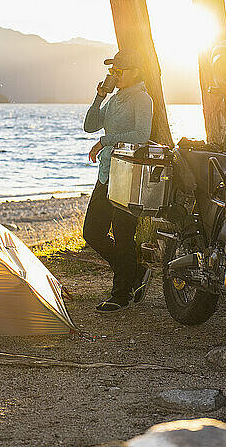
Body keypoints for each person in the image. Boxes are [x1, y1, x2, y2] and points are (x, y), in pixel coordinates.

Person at [83, 49, 153, 313]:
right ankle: (134, 272)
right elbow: (90, 126)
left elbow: (141, 135)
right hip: (107, 174)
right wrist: (100, 96)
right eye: (112, 71)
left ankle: (121, 294)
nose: (114, 75)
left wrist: (106, 140)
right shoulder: (113, 100)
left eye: (119, 71)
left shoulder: (142, 98)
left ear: (135, 70)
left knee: (124, 235)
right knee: (92, 232)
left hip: (129, 176)